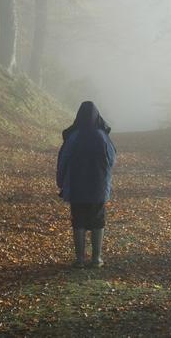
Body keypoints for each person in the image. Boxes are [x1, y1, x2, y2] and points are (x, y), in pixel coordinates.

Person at [56, 101, 116, 268]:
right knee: (98, 219)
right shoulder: (103, 136)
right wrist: (105, 179)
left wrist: (60, 181)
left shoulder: (74, 136)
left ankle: (80, 259)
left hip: (76, 185)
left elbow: (63, 160)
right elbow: (111, 160)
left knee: (78, 220)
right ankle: (96, 258)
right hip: (98, 185)